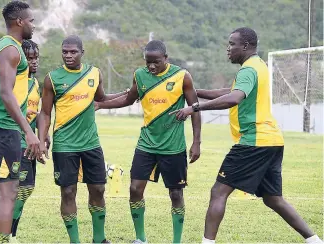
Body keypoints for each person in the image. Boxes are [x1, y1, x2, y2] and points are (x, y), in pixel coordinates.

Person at [170, 27, 323, 244]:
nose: (228, 49)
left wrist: (193, 107)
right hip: (272, 141)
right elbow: (227, 92)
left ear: (245, 46)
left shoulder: (248, 70)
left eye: (232, 44)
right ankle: (314, 240)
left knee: (218, 192)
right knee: (273, 199)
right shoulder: (257, 66)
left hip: (254, 141)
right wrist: (192, 90)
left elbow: (233, 98)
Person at [96, 40, 202, 243]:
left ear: (166, 58)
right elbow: (128, 99)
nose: (151, 66)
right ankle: (140, 238)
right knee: (135, 189)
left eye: (156, 62)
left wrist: (197, 142)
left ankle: (177, 241)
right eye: (148, 62)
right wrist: (102, 104)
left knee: (176, 194)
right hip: (146, 144)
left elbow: (195, 108)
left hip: (173, 147)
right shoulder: (140, 75)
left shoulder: (182, 76)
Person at [37, 35, 127, 243]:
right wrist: (42, 139)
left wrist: (128, 94)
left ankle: (99, 239)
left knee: (98, 189)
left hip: (91, 143)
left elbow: (101, 99)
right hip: (65, 145)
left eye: (73, 52)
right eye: (65, 52)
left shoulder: (94, 73)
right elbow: (45, 113)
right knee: (68, 192)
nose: (68, 55)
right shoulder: (52, 78)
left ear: (82, 53)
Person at [0, 1, 40, 243]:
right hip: (2, 126)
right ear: (19, 22)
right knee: (9, 190)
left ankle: (1, 239)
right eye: (31, 21)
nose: (33, 25)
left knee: (5, 188)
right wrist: (29, 132)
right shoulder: (11, 50)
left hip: (4, 126)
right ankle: (3, 241)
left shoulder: (5, 45)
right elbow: (6, 93)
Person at [10, 39, 50, 241]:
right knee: (20, 188)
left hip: (31, 143)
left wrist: (44, 137)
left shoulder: (34, 83)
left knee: (26, 188)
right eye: (29, 58)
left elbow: (35, 113)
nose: (34, 62)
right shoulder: (13, 82)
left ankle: (9, 233)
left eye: (36, 58)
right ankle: (8, 234)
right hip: (15, 142)